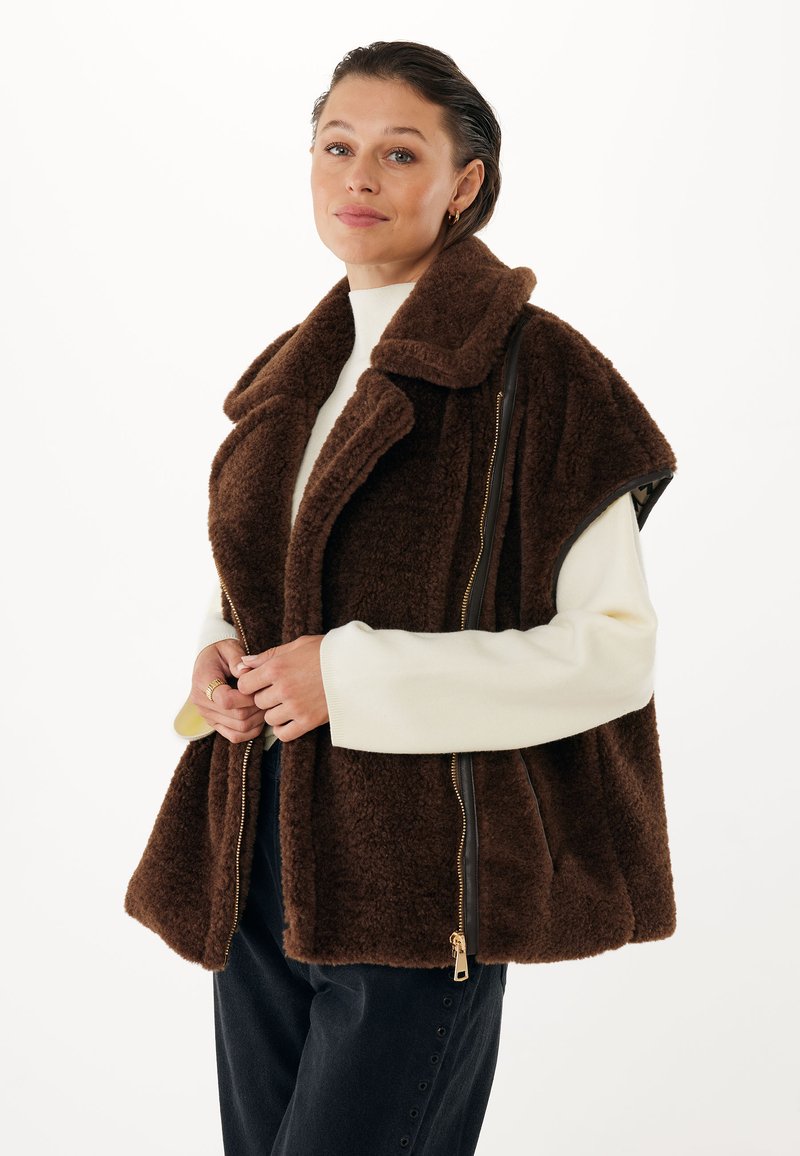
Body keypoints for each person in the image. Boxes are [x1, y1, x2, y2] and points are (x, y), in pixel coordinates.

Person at [125, 40, 678, 1156]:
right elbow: (265, 581)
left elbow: (613, 650)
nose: (358, 177)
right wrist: (219, 656)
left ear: (464, 183)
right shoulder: (290, 374)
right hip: (255, 862)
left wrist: (352, 675)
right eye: (336, 146)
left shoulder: (541, 374)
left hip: (422, 885)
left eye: (399, 152)